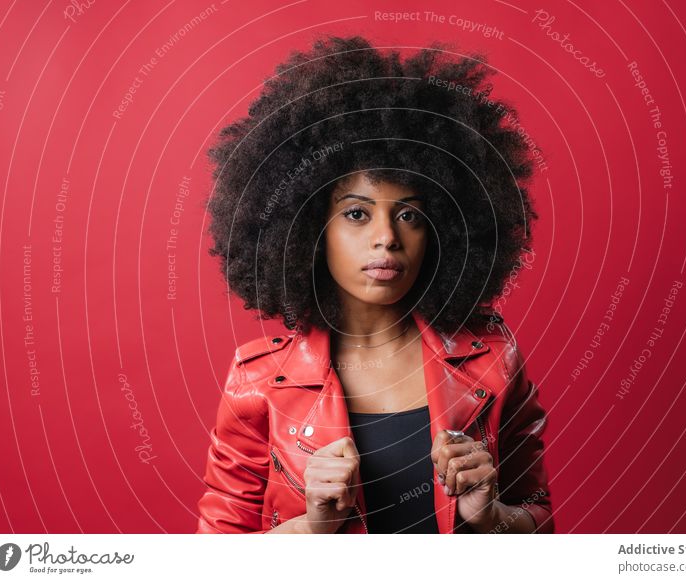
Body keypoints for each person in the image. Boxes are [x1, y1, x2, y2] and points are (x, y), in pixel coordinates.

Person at [196, 35, 553, 534]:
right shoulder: (257, 382)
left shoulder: (492, 361)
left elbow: (539, 521)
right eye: (357, 213)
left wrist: (492, 517)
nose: (387, 239)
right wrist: (310, 528)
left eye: (408, 214)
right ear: (309, 229)